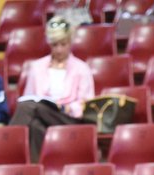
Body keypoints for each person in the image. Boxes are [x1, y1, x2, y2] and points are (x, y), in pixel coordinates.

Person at [8, 18, 95, 161]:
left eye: (63, 44)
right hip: (42, 113)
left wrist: (67, 108)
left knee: (30, 108)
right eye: (55, 45)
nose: (59, 49)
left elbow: (86, 103)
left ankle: (8, 146)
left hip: (69, 118)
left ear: (70, 43)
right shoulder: (37, 67)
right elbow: (28, 97)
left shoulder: (81, 68)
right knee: (35, 125)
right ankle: (38, 170)